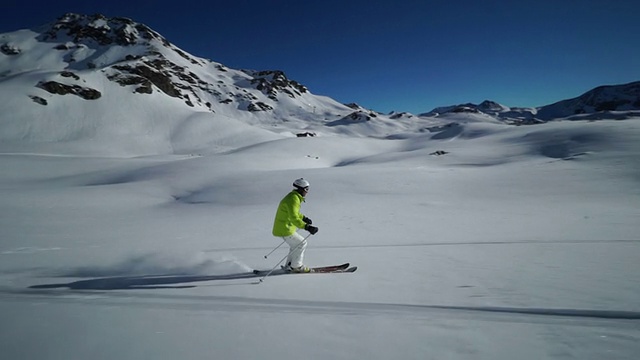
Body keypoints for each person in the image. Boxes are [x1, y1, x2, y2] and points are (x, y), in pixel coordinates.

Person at [272, 178, 319, 272]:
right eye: (306, 189)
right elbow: (293, 218)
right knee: (302, 243)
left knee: (296, 245)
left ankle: (289, 265)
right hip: (285, 228)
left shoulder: (293, 197)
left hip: (284, 227)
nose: (307, 192)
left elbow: (294, 213)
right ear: (301, 189)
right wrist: (307, 227)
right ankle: (296, 267)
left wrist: (304, 218)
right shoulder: (293, 199)